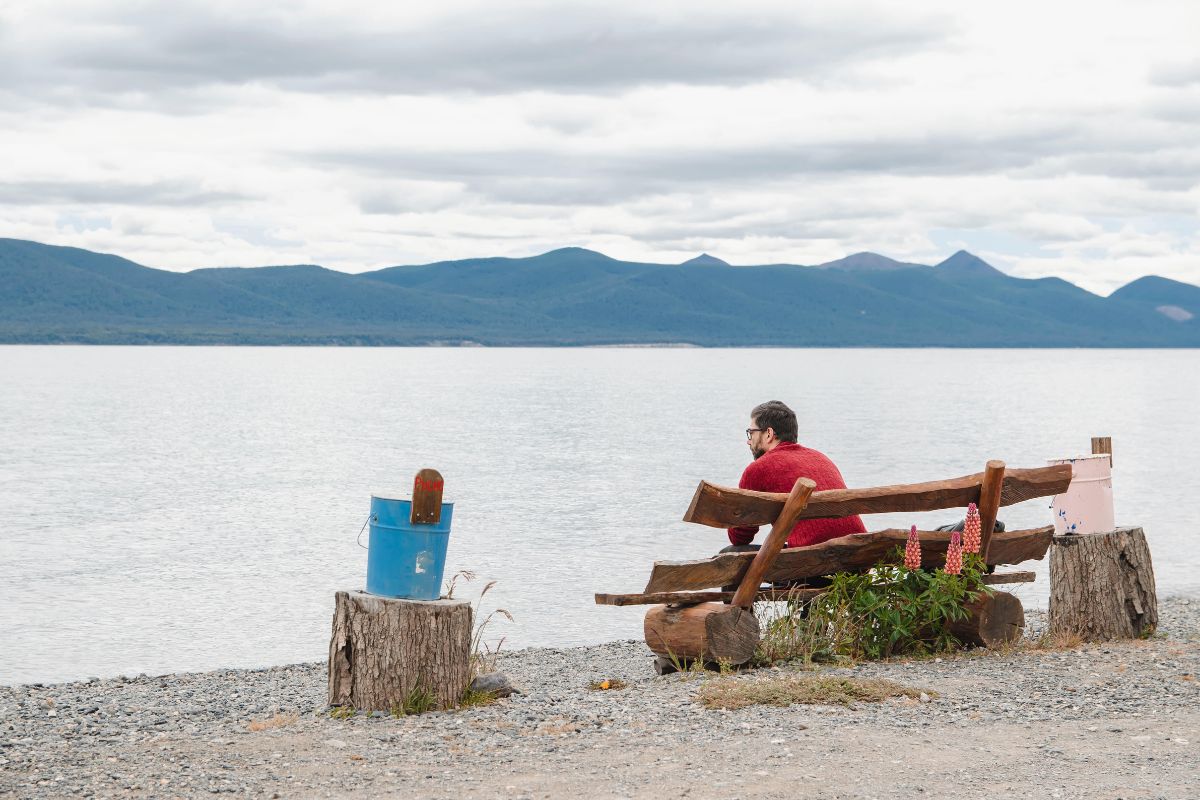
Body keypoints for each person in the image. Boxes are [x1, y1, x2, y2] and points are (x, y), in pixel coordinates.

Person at [725, 400, 867, 552]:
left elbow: (740, 537)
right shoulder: (821, 458)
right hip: (860, 555)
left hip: (813, 562)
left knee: (728, 554)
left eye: (751, 433)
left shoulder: (759, 468)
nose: (748, 440)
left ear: (769, 434)